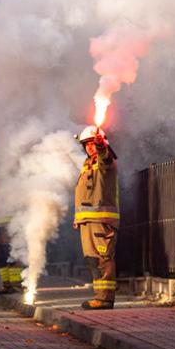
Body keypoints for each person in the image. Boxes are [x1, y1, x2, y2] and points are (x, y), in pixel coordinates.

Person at [73, 127, 119, 309]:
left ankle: (106, 298)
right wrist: (78, 218)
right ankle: (99, 296)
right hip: (88, 221)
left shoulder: (106, 161)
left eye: (93, 143)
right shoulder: (87, 165)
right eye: (87, 144)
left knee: (103, 258)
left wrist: (101, 145)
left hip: (102, 221)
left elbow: (104, 156)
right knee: (92, 259)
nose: (90, 147)